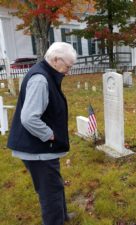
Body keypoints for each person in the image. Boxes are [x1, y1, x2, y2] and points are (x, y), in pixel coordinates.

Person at [7, 42, 77, 225]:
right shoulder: (41, 79)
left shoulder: (46, 73)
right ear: (55, 60)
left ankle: (63, 217)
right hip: (38, 149)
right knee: (50, 193)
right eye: (67, 66)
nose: (68, 72)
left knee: (55, 184)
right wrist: (49, 134)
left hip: (42, 148)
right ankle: (56, 220)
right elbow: (29, 118)